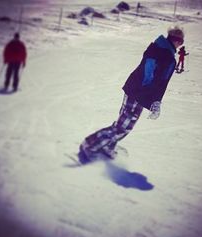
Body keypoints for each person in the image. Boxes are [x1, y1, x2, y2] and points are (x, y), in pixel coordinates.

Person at [78, 26, 185, 164]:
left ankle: (107, 146)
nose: (180, 45)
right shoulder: (164, 54)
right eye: (181, 42)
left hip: (136, 91)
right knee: (123, 127)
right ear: (176, 40)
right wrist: (151, 96)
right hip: (138, 93)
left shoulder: (159, 48)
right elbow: (153, 74)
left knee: (123, 123)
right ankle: (90, 145)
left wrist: (152, 98)